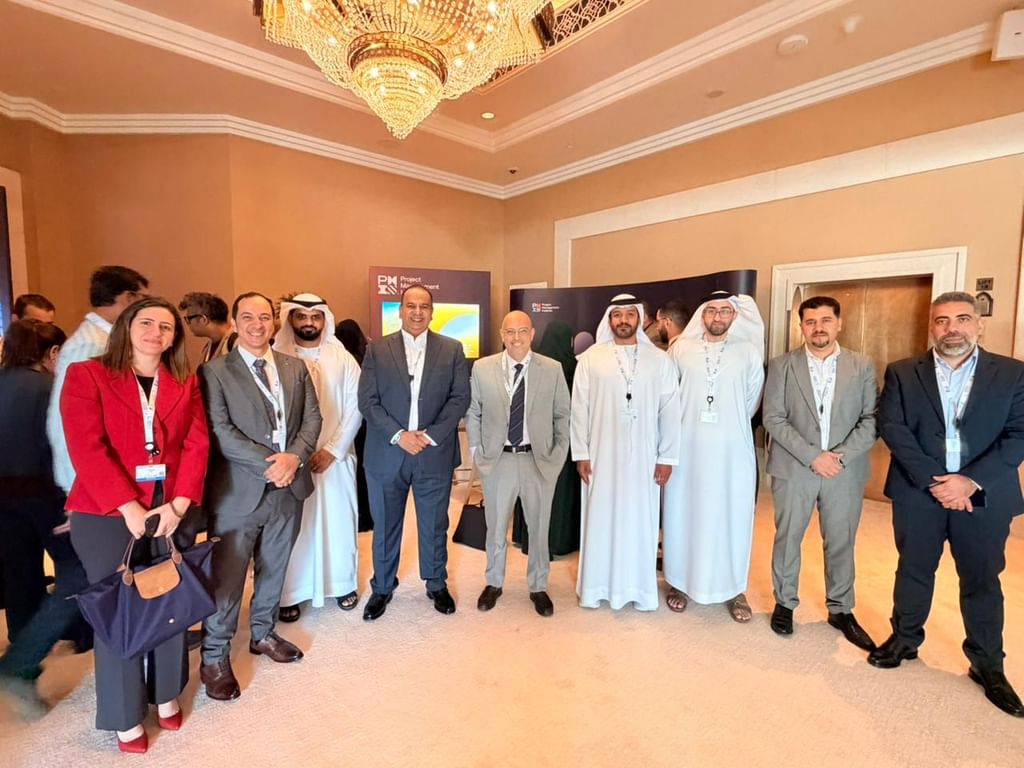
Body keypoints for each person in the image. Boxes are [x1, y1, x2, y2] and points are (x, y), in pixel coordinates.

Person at [61, 297, 208, 753]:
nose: (155, 333)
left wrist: (179, 504)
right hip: (107, 512)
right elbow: (86, 447)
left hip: (170, 509)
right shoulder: (87, 375)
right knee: (120, 611)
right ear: (127, 326)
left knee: (170, 600)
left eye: (166, 327)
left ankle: (165, 693)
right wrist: (127, 506)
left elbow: (197, 442)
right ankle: (125, 713)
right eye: (146, 322)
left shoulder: (184, 380)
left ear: (174, 338)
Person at [870, 292, 1024, 718]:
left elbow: (1019, 433)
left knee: (982, 579)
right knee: (913, 569)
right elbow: (893, 427)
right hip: (919, 491)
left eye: (962, 318)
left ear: (979, 324)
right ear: (931, 327)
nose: (951, 328)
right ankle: (905, 639)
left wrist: (967, 481)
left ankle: (988, 664)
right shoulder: (903, 371)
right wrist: (935, 481)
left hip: (983, 494)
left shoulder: (1013, 373)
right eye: (941, 320)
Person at [198, 292, 321, 701]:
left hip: (289, 487)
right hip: (240, 490)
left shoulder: (294, 367)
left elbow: (312, 418)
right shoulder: (214, 371)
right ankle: (215, 656)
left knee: (274, 566)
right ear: (235, 322)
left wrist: (295, 458)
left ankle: (263, 633)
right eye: (248, 317)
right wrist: (272, 463)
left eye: (265, 317)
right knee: (228, 579)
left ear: (274, 322)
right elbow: (219, 430)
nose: (257, 325)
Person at [762, 296, 877, 649]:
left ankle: (841, 609)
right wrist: (813, 456)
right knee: (788, 538)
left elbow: (871, 419)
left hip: (843, 471)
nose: (818, 328)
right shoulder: (782, 366)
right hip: (795, 467)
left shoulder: (862, 365)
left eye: (826, 320)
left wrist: (838, 458)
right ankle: (785, 603)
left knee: (841, 540)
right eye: (810, 322)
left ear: (839, 323)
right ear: (802, 327)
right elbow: (773, 418)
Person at [358, 284, 470, 621]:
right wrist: (399, 435)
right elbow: (368, 401)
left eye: (424, 306)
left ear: (432, 312)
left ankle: (436, 583)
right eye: (411, 306)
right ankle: (382, 586)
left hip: (433, 452)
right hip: (387, 452)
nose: (417, 312)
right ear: (400, 310)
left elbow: (459, 398)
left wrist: (430, 435)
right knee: (385, 524)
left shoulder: (452, 349)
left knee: (434, 523)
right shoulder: (377, 349)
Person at [0, 320, 88, 719]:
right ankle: (21, 661)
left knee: (20, 577)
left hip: (4, 500)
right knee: (78, 573)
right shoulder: (49, 389)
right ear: (52, 353)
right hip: (45, 496)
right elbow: (61, 449)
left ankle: (24, 659)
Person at [570, 294, 680, 611]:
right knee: (601, 519)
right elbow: (579, 409)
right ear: (609, 319)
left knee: (639, 520)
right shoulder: (591, 359)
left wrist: (667, 456)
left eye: (629, 314)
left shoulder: (660, 361)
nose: (623, 320)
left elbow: (670, 411)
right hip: (600, 457)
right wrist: (581, 453)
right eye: (617, 314)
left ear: (639, 318)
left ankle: (639, 590)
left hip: (645, 458)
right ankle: (596, 588)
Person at [662, 291, 765, 621]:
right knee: (684, 513)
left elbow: (751, 401)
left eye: (724, 311)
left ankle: (733, 588)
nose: (718, 317)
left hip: (732, 452)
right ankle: (679, 581)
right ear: (702, 315)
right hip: (688, 450)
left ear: (733, 316)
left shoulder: (748, 352)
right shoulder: (681, 350)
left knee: (731, 516)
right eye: (711, 311)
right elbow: (669, 397)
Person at [467, 311, 570, 616]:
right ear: (502, 335)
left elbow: (562, 415)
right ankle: (493, 582)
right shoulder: (482, 368)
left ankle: (538, 586)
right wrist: (477, 450)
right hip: (498, 460)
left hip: (538, 460)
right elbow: (473, 411)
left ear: (532, 333)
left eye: (522, 331)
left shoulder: (551, 369)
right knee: (495, 526)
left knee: (539, 528)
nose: (516, 338)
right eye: (510, 332)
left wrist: (557, 454)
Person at [275, 294, 363, 620]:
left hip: (335, 458)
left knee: (339, 521)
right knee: (295, 528)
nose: (309, 322)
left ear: (325, 320)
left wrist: (332, 449)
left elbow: (356, 406)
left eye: (315, 317)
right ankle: (290, 592)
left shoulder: (343, 358)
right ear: (290, 319)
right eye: (301, 316)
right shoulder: (277, 356)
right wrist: (296, 453)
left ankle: (342, 584)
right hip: (291, 459)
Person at [47, 266, 149, 495]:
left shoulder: (108, 339)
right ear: (128, 298)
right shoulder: (92, 345)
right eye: (144, 300)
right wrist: (86, 484)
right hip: (93, 482)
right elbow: (70, 423)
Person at [335, 318, 372, 532]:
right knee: (364, 472)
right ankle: (367, 517)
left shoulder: (339, 360)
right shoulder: (367, 358)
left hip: (343, 424)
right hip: (366, 425)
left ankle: (352, 517)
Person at [178, 291, 236, 363]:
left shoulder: (236, 343)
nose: (188, 324)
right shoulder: (207, 348)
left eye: (189, 319)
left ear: (203, 319)